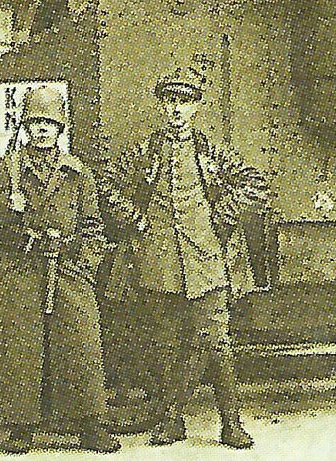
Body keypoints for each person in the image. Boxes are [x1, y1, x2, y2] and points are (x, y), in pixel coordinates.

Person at [101, 67, 269, 449]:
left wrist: (220, 216)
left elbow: (255, 184)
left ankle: (231, 423)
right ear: (162, 106)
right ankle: (172, 420)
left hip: (205, 258)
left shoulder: (210, 152)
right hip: (159, 261)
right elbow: (106, 185)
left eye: (186, 102)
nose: (177, 109)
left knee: (216, 339)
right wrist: (134, 219)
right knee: (166, 342)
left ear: (196, 107)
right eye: (171, 101)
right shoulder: (146, 152)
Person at [0, 86, 119, 455]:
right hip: (21, 265)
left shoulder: (77, 173)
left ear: (61, 128)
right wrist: (5, 204)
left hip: (67, 266)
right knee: (21, 348)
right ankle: (21, 426)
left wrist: (85, 262)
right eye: (35, 123)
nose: (43, 130)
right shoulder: (6, 170)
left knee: (81, 342)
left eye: (50, 123)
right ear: (25, 126)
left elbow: (93, 226)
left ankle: (91, 425)